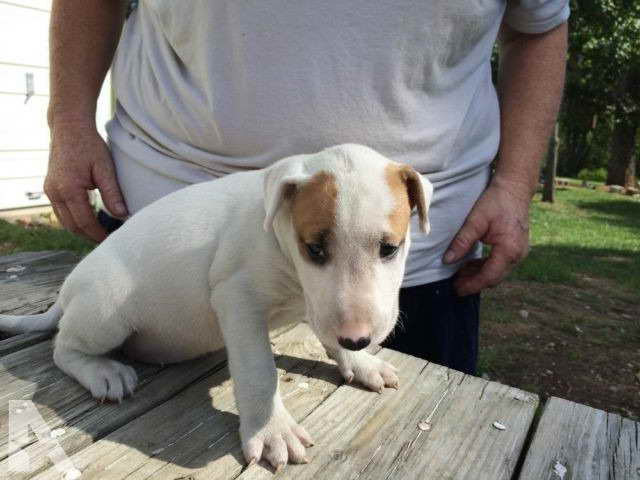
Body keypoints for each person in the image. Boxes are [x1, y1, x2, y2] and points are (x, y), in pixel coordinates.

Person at [45, 0, 568, 375]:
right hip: (164, 236)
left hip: (437, 261)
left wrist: (516, 184)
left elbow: (540, 23)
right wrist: (69, 119)